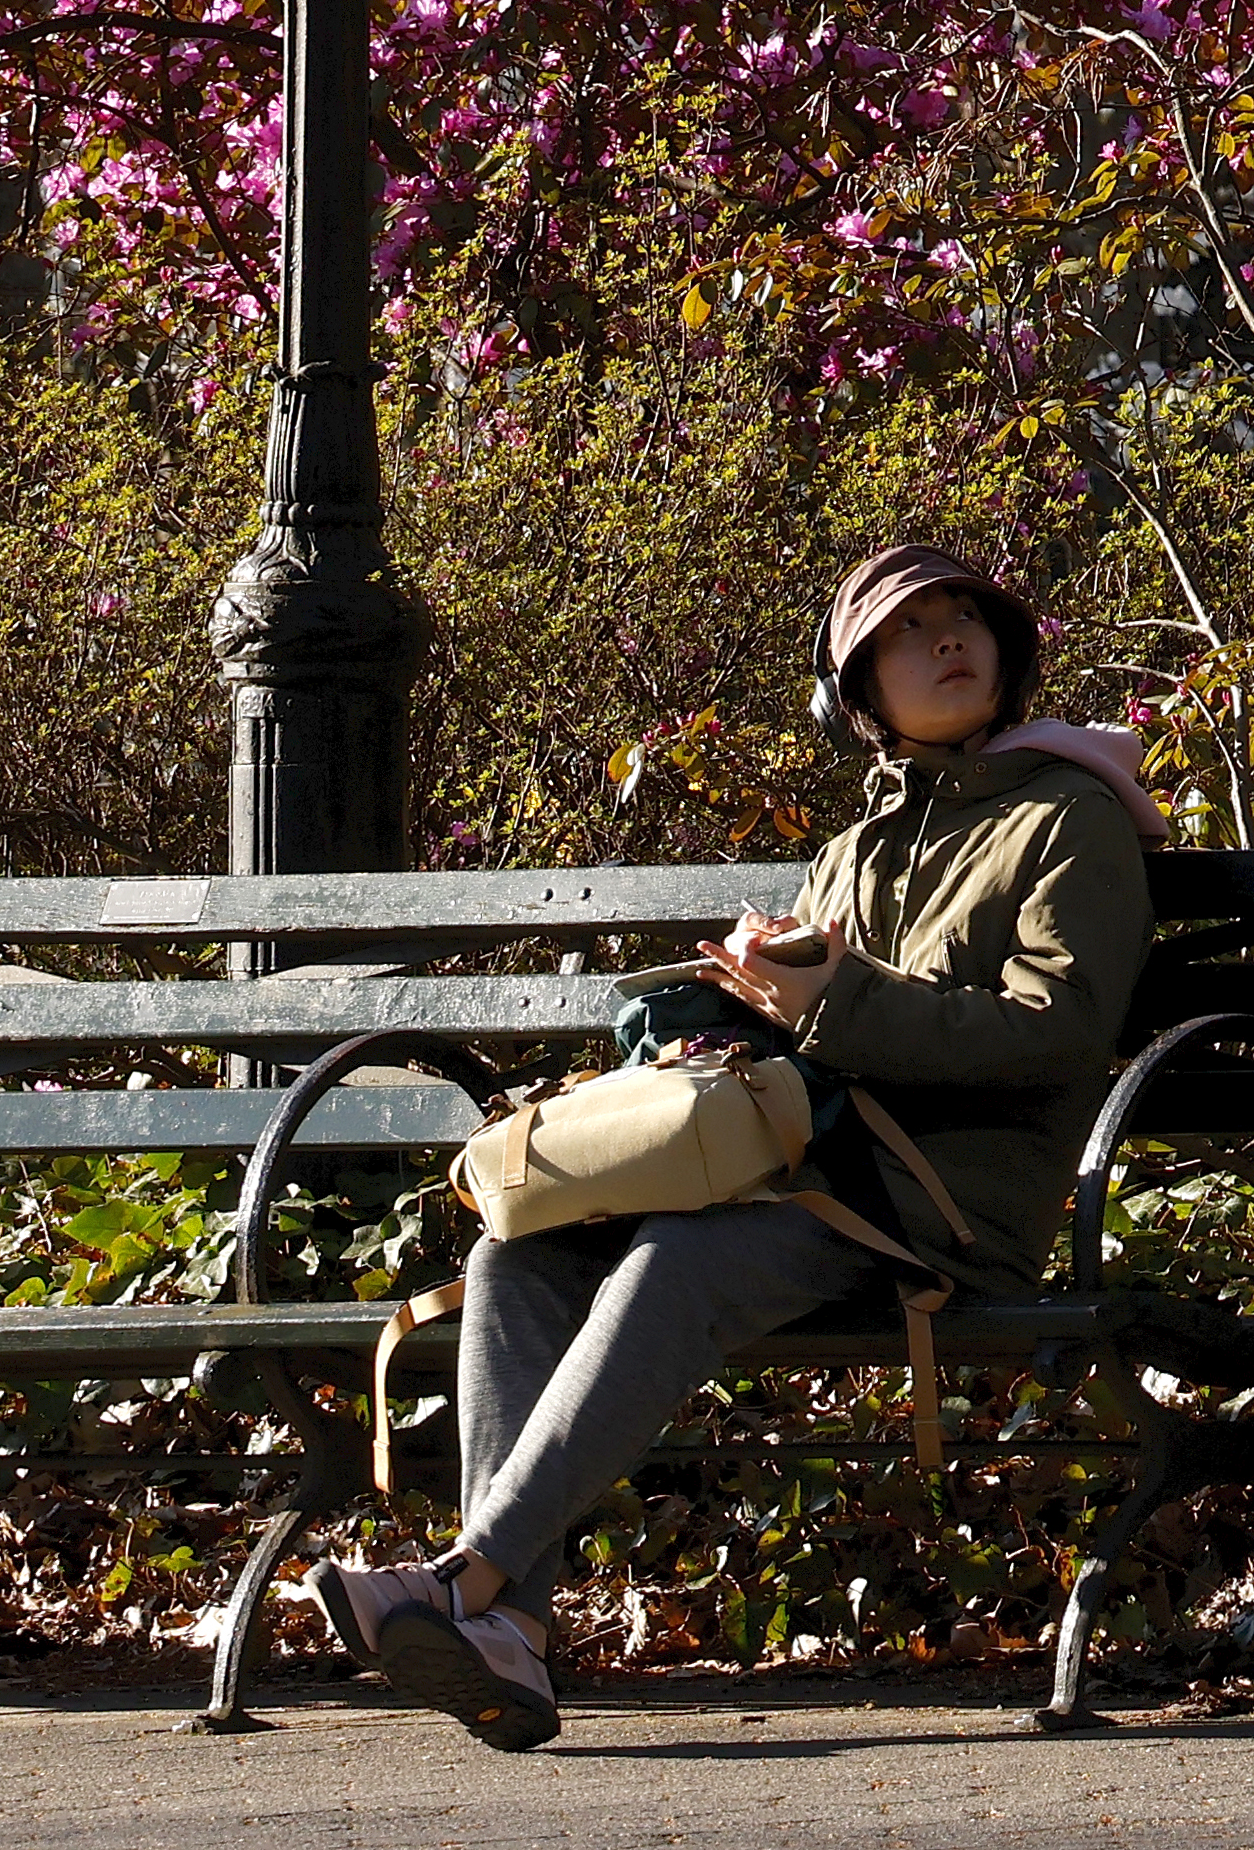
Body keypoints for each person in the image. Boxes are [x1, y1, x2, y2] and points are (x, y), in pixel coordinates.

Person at [307, 543, 1161, 1749]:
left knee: (678, 1262)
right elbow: (822, 1032)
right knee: (519, 1255)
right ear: (861, 690)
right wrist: (742, 1005)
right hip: (806, 1172)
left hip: (947, 1201)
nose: (951, 639)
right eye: (913, 630)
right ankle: (509, 1634)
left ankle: (467, 1579)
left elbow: (1061, 1029)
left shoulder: (1066, 816)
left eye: (966, 618)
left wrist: (830, 998)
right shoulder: (857, 848)